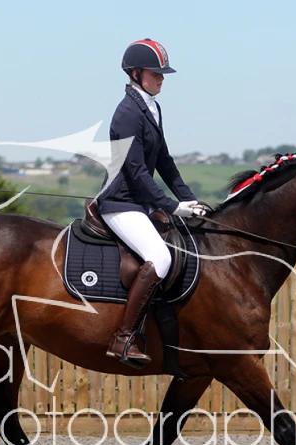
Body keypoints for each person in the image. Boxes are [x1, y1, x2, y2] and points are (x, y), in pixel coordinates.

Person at [98, 38, 207, 368]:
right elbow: (136, 171)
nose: (161, 78)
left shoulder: (151, 107)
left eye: (162, 73)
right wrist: (171, 206)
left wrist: (189, 199)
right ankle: (124, 337)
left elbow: (164, 161)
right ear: (135, 73)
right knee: (160, 257)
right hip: (121, 203)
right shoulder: (127, 113)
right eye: (155, 73)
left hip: (140, 202)